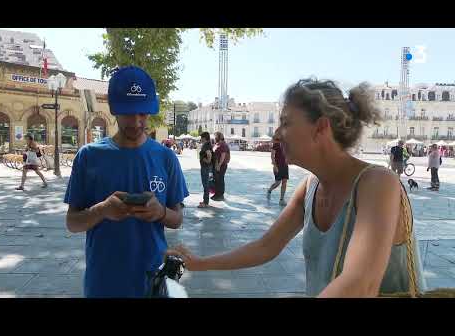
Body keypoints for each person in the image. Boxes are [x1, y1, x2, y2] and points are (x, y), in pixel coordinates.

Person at [167, 78, 426, 297]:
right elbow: (266, 247)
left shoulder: (378, 183)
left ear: (320, 128)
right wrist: (200, 264)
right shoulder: (310, 187)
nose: (277, 134)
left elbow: (360, 283)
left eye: (287, 122)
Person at [64, 66, 189, 298]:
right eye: (128, 113)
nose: (136, 121)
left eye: (143, 113)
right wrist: (102, 210)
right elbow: (72, 223)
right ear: (115, 110)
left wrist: (160, 212)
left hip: (154, 280)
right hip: (103, 282)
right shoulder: (88, 156)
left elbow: (177, 219)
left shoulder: (166, 157)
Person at [266, 128, 289, 206]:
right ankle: (269, 190)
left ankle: (281, 199)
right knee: (278, 182)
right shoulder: (276, 144)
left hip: (285, 165)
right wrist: (274, 165)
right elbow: (272, 156)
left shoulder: (286, 143)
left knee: (285, 181)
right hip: (278, 166)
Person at [211, 131, 230, 201]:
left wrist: (219, 165)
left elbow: (223, 155)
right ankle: (217, 194)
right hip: (218, 165)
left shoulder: (223, 145)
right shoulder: (219, 144)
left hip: (221, 165)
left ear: (219, 137)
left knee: (220, 180)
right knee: (217, 180)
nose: (214, 138)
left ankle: (220, 195)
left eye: (215, 137)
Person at [198, 132, 213, 208]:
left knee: (206, 184)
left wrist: (207, 161)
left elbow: (209, 154)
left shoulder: (206, 145)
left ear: (204, 138)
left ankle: (205, 202)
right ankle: (205, 201)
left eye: (201, 137)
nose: (201, 139)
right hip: (207, 167)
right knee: (206, 184)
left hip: (205, 167)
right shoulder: (208, 144)